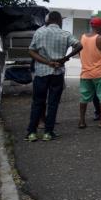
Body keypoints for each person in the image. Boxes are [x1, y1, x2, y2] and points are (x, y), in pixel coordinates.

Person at [26, 11, 81, 141]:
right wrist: (65, 58)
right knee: (53, 103)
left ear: (48, 20)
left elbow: (31, 51)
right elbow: (79, 45)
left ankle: (31, 133)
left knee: (38, 102)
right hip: (57, 73)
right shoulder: (65, 34)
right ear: (59, 21)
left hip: (41, 73)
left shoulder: (39, 32)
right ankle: (48, 133)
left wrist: (47, 62)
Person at [77, 17, 101, 129]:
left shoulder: (83, 37)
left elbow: (80, 53)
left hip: (85, 73)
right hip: (99, 73)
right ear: (99, 27)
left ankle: (82, 121)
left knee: (83, 97)